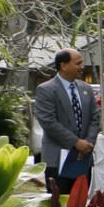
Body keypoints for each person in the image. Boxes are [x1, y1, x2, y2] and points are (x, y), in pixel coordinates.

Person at [34, 49, 100, 194]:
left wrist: (87, 144)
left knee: (80, 204)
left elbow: (95, 118)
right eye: (78, 63)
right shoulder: (46, 90)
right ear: (63, 65)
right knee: (59, 204)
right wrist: (76, 143)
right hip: (57, 160)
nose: (82, 66)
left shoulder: (86, 89)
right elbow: (49, 122)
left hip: (83, 160)